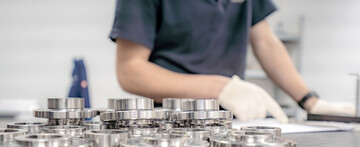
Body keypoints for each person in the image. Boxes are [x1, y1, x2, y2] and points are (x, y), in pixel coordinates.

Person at [109, 0, 355, 122]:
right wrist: (219, 88)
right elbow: (131, 70)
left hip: (234, 122)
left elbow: (265, 43)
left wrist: (310, 101)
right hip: (171, 124)